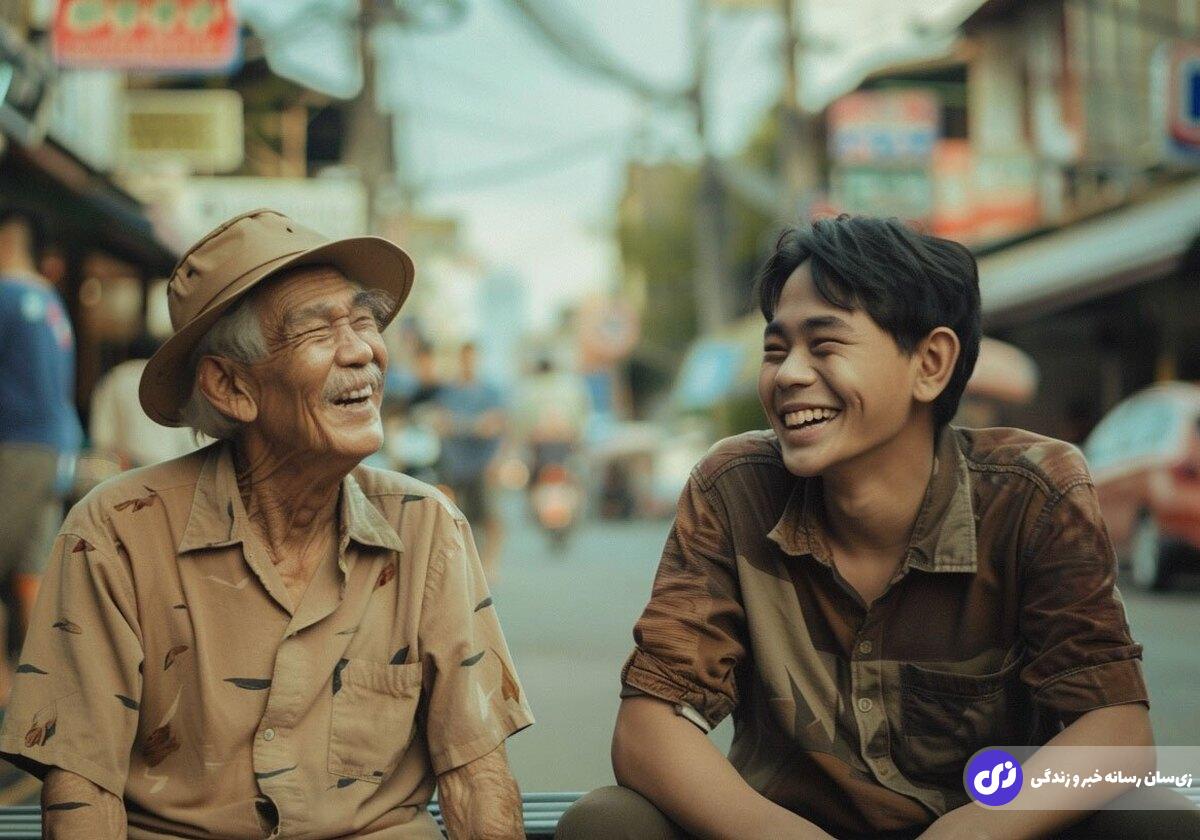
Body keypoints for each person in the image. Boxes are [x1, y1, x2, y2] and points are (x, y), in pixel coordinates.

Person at [558, 216, 1199, 839]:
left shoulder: (1033, 492)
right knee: (608, 822)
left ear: (930, 363)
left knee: (1163, 814)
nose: (788, 375)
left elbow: (1115, 729)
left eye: (825, 343)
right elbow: (649, 730)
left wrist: (972, 831)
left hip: (987, 827)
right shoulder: (735, 488)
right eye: (775, 350)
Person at [0, 209, 533, 839]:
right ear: (230, 387)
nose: (362, 350)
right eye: (317, 331)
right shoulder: (116, 534)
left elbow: (476, 778)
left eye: (363, 321)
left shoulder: (427, 528)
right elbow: (82, 792)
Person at [0, 208, 82, 705]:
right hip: (56, 445)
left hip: (17, 446)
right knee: (29, 568)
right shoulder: (49, 300)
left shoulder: (7, 294)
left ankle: (8, 686)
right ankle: (40, 687)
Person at [435, 343, 506, 577]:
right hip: (455, 464)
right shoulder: (449, 391)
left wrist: (460, 425)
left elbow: (496, 426)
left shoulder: (491, 392)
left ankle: (490, 564)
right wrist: (474, 425)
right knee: (454, 516)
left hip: (482, 464)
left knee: (489, 516)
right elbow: (441, 423)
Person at [89, 333, 198, 469]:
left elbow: (102, 436)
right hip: (172, 465)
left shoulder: (116, 378)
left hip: (130, 469)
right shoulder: (170, 379)